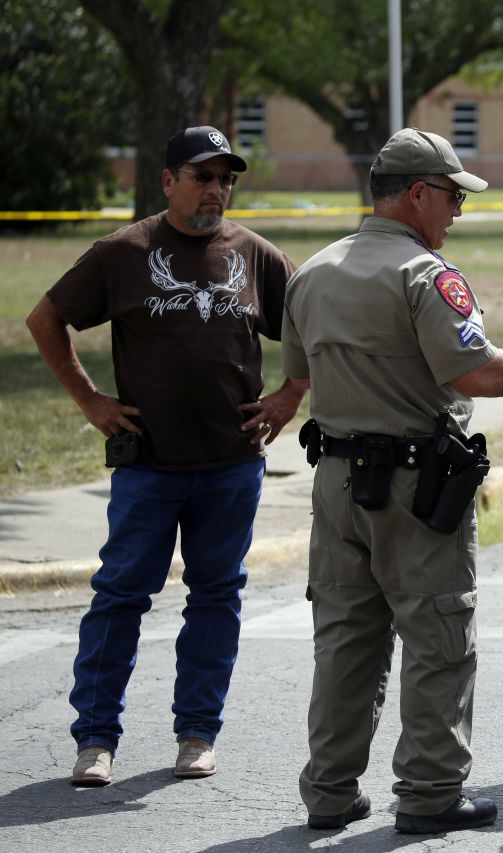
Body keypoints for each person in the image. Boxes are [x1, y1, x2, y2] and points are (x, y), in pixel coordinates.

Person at [282, 128, 503, 835]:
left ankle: (329, 792)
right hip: (414, 486)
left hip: (336, 481)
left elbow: (297, 375)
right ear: (418, 194)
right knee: (437, 635)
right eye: (453, 195)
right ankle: (431, 794)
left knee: (345, 638)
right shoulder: (428, 275)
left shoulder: (311, 272)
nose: (458, 209)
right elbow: (479, 374)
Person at [26, 126, 305, 787]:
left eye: (226, 178)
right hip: (149, 465)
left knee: (215, 597)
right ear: (167, 181)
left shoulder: (257, 255)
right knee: (121, 596)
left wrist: (291, 394)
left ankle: (197, 733)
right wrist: (92, 401)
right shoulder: (124, 252)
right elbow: (45, 319)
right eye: (202, 175)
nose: (216, 189)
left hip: (231, 464)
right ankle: (95, 739)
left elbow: (313, 323)